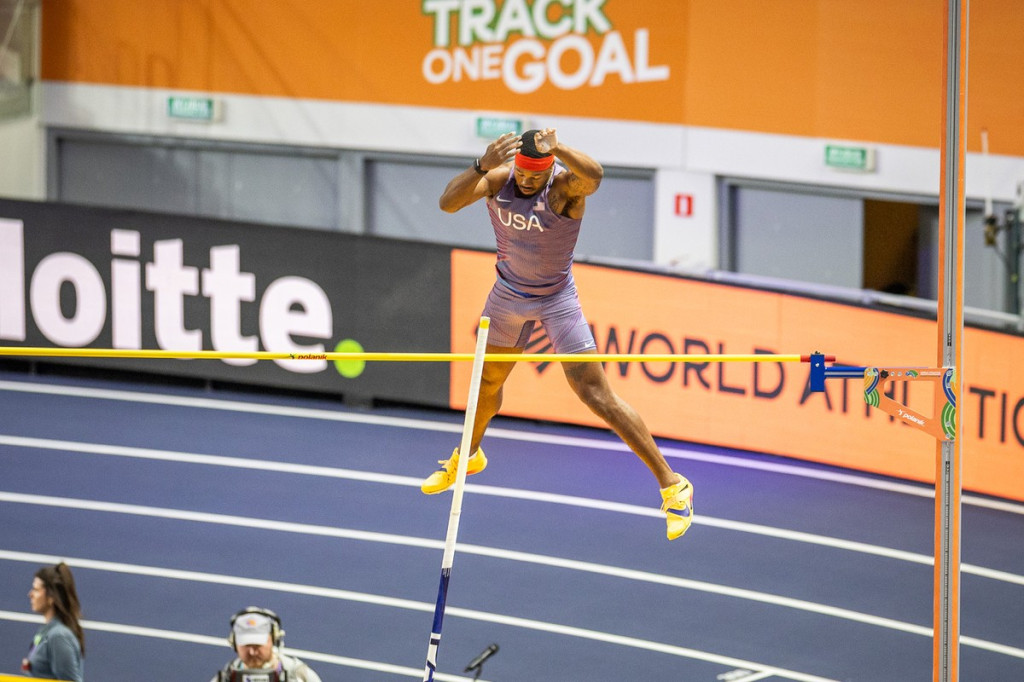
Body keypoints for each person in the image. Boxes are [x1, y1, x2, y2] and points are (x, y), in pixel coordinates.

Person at [423, 128, 694, 540]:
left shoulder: (565, 189)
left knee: (595, 395)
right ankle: (469, 456)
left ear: (550, 167)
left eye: (536, 174)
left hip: (557, 300)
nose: (527, 181)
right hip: (508, 296)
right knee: (486, 384)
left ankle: (674, 486)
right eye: (523, 173)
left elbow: (596, 176)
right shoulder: (500, 180)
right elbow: (447, 204)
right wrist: (482, 164)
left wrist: (561, 147)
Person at [211, 607, 322, 682]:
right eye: (246, 645)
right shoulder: (224, 677)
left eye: (258, 645)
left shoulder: (300, 675)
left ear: (273, 639)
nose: (252, 652)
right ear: (234, 643)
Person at [23, 562, 85, 682]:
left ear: (51, 597)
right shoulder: (46, 631)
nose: (30, 594)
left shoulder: (58, 636)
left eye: (36, 589)